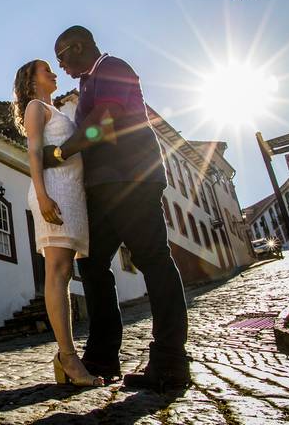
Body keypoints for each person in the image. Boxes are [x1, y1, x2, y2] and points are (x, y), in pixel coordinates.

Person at [42, 26, 191, 392]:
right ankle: (103, 357)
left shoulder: (111, 67)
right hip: (103, 188)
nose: (60, 66)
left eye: (62, 57)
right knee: (91, 266)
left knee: (153, 259)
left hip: (131, 178)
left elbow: (104, 123)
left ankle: (170, 360)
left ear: (79, 47)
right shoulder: (88, 83)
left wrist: (62, 152)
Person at [12, 59, 103, 387]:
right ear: (31, 81)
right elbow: (34, 152)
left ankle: (67, 357)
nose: (53, 74)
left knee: (65, 271)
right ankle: (68, 357)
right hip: (53, 192)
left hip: (71, 194)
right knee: (58, 271)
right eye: (45, 70)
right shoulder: (36, 107)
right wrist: (42, 194)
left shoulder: (58, 112)